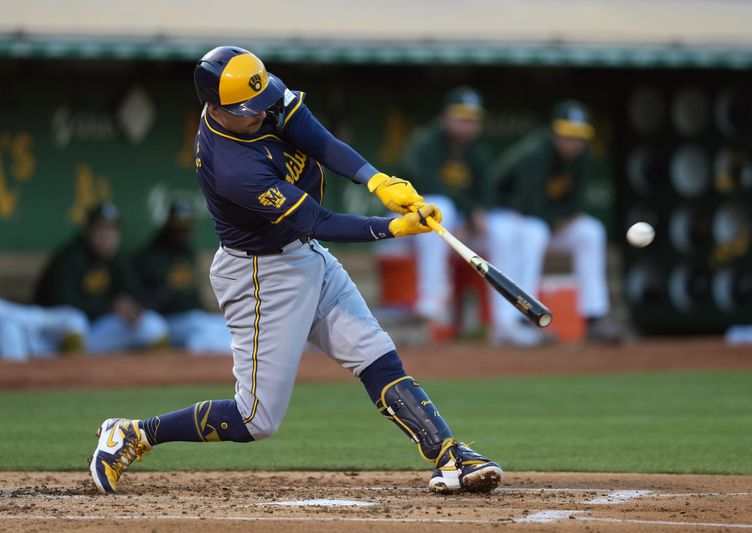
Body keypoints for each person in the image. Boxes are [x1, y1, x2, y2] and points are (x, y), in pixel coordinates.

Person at [88, 46, 502, 496]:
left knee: (374, 352)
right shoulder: (234, 169)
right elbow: (318, 220)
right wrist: (395, 228)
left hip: (305, 255)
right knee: (254, 420)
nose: (261, 113)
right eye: (248, 111)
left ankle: (449, 454)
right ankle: (134, 433)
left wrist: (376, 179)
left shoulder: (258, 90)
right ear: (214, 107)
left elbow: (317, 138)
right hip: (262, 276)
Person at [489, 100, 623, 345]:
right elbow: (528, 204)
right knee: (535, 232)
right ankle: (520, 318)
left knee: (590, 231)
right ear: (553, 132)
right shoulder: (535, 153)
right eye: (567, 135)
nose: (573, 142)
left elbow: (575, 203)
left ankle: (595, 316)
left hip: (546, 220)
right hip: (508, 215)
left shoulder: (581, 158)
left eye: (578, 136)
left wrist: (563, 218)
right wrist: (559, 219)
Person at [397, 87, 493, 339]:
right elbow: (428, 187)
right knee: (440, 206)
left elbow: (485, 194)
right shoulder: (425, 143)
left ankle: (508, 318)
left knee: (501, 232)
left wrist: (471, 220)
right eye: (461, 117)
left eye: (472, 119)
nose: (467, 124)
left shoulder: (477, 153)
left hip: (455, 225)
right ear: (445, 117)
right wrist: (469, 213)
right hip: (405, 223)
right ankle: (432, 300)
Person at [34, 202, 170, 353]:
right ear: (88, 231)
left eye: (112, 230)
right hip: (59, 332)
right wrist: (109, 306)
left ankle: (145, 374)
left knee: (152, 325)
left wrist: (132, 307)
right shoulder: (69, 259)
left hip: (95, 333)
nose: (107, 236)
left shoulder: (117, 260)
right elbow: (63, 304)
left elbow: (132, 291)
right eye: (101, 229)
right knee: (75, 323)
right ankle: (69, 369)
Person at [135, 199, 231, 353]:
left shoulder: (188, 253)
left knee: (227, 327)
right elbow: (153, 300)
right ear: (169, 227)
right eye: (179, 227)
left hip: (193, 317)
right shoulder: (154, 256)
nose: (184, 232)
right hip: (168, 321)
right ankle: (192, 359)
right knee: (203, 329)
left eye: (187, 227)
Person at [0, 298, 87, 361]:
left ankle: (74, 360)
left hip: (45, 342)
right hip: (21, 345)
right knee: (9, 327)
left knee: (75, 318)